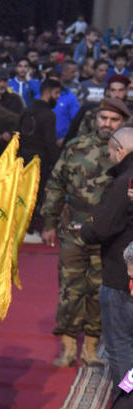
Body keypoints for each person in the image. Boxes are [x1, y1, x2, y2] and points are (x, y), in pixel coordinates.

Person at [41, 98, 129, 367]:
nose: (107, 124)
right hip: (74, 228)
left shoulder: (127, 154)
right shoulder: (75, 147)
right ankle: (68, 345)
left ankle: (91, 346)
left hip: (109, 234)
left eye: (114, 120)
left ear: (123, 124)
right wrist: (49, 221)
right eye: (104, 118)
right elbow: (55, 184)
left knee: (98, 290)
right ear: (95, 118)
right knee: (70, 288)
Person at [81, 127, 133, 386]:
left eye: (111, 152)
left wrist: (88, 228)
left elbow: (102, 228)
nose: (110, 157)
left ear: (120, 150)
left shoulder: (125, 181)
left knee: (120, 347)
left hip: (121, 276)